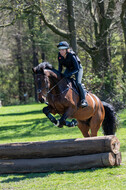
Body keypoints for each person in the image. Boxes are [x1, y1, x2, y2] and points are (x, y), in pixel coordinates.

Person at [57, 41, 88, 108]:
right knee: (61, 81)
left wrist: (68, 75)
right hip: (69, 69)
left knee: (78, 83)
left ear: (66, 50)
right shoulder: (59, 56)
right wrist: (58, 75)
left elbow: (76, 68)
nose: (61, 51)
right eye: (60, 50)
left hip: (78, 69)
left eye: (63, 50)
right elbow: (60, 67)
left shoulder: (71, 55)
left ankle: (83, 100)